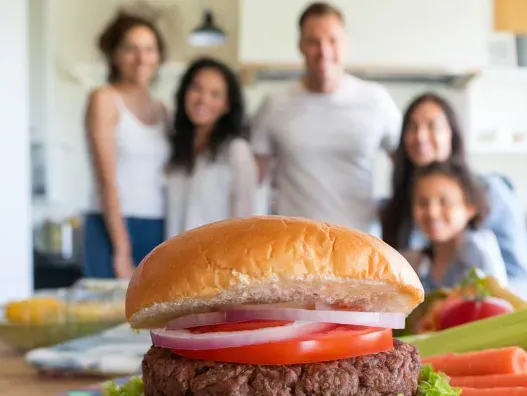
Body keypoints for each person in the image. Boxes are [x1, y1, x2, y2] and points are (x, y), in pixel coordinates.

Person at [250, 1, 402, 232]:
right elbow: (250, 179)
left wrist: (396, 213)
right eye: (313, 41)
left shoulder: (376, 100)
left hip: (360, 244)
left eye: (332, 40)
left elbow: (409, 166)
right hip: (294, 246)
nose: (324, 51)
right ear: (300, 45)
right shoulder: (274, 104)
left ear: (346, 43)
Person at [380, 92, 527, 300]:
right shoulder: (401, 202)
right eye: (412, 127)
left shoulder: (489, 192)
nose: (421, 136)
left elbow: (520, 277)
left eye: (433, 126)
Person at [82, 11, 171, 279]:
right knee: (113, 314)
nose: (141, 58)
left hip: (158, 225)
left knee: (155, 316)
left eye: (149, 49)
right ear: (115, 55)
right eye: (130, 49)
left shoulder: (164, 110)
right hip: (111, 226)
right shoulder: (104, 99)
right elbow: (106, 179)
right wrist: (121, 249)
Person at [164, 58, 258, 239]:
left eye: (215, 94)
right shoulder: (175, 147)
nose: (202, 100)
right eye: (196, 89)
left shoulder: (237, 151)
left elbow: (245, 222)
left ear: (227, 106)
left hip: (216, 260)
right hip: (173, 258)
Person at [406, 162, 508, 292]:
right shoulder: (420, 261)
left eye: (444, 202)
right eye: (422, 203)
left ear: (470, 208)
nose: (432, 212)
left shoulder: (476, 248)